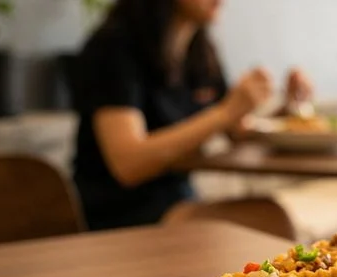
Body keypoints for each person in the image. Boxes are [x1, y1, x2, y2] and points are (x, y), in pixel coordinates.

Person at [72, 0, 313, 231]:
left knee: (270, 215)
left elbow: (237, 131)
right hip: (120, 212)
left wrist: (289, 111)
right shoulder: (114, 47)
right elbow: (128, 164)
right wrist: (225, 112)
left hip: (179, 199)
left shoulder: (199, 50)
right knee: (267, 221)